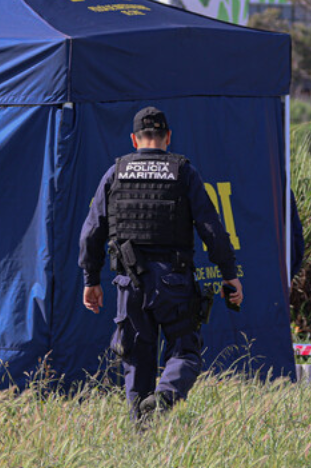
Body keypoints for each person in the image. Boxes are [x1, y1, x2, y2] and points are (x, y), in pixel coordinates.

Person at [79, 106, 243, 423]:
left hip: (129, 284)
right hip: (174, 281)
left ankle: (141, 433)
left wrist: (91, 279)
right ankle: (165, 397)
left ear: (134, 139)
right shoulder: (183, 172)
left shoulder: (116, 172)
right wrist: (229, 274)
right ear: (168, 137)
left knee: (136, 361)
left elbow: (91, 232)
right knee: (185, 353)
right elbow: (211, 229)